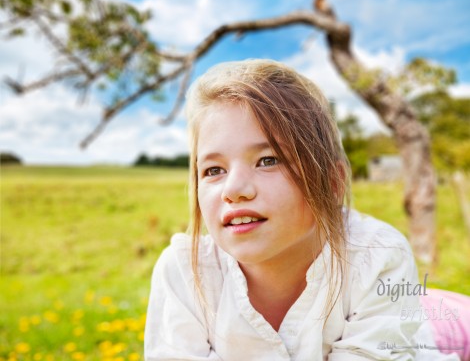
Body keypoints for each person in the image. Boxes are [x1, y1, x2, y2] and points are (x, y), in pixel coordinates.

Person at [144, 59, 467, 360]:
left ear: (333, 183)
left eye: (267, 161)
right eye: (213, 170)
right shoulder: (184, 272)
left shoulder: (378, 256)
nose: (234, 190)